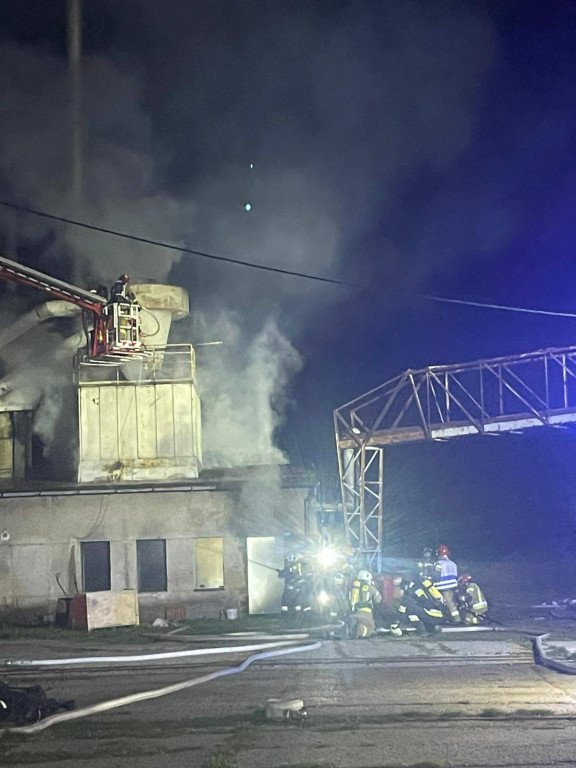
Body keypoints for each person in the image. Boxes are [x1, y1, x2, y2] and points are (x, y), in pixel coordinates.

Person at [349, 569, 383, 638]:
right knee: (371, 628)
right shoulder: (371, 588)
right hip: (366, 613)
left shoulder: (353, 587)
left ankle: (352, 628)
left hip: (353, 611)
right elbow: (379, 599)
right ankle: (359, 631)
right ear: (367, 579)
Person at [434, 544, 460, 624]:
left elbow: (436, 576)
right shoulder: (453, 564)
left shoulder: (438, 564)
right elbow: (455, 576)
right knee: (450, 603)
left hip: (442, 586)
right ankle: (454, 618)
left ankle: (456, 619)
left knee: (444, 603)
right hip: (452, 586)